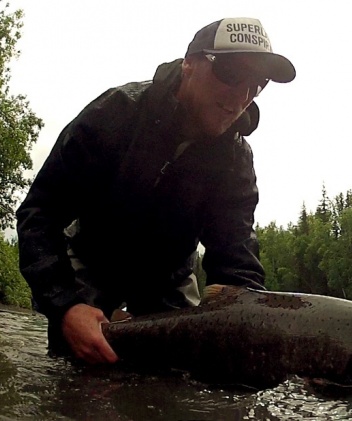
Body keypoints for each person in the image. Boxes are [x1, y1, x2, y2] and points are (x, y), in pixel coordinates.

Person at [15, 17, 295, 364]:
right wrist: (66, 306)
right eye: (231, 73)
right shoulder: (115, 114)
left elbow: (235, 263)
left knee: (180, 380)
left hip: (170, 278)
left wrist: (255, 340)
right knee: (73, 367)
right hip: (90, 258)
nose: (242, 96)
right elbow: (39, 214)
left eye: (258, 83)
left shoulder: (234, 160)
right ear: (189, 64)